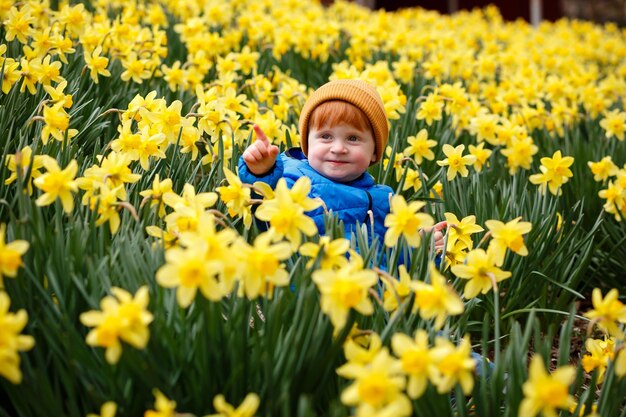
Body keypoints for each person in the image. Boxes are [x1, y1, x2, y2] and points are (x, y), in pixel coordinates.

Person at [238, 79, 446, 257]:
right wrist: (261, 173)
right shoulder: (293, 180)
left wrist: (418, 248)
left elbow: (388, 259)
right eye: (326, 136)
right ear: (307, 144)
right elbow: (263, 212)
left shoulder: (386, 201)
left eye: (353, 138)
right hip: (305, 295)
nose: (338, 148)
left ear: (375, 152)